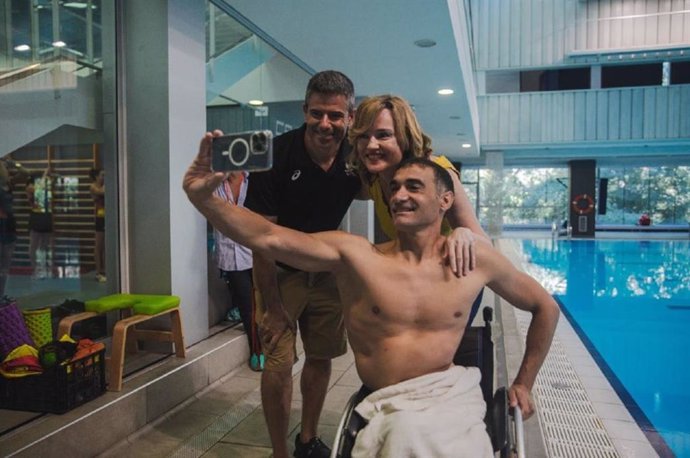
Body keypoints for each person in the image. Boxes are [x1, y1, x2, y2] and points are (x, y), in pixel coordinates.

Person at [184, 139, 560, 457]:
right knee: (405, 435)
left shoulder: (472, 260)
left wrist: (524, 383)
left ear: (446, 200)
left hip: (451, 400)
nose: (399, 195)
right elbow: (268, 236)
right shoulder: (358, 257)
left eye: (414, 187)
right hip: (389, 406)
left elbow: (546, 307)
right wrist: (206, 201)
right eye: (394, 188)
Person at [243, 70, 361, 458]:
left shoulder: (354, 158)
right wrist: (272, 305)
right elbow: (260, 241)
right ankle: (279, 452)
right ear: (304, 110)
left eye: (335, 115)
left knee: (321, 355)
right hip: (280, 273)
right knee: (277, 361)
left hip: (327, 272)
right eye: (316, 113)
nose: (325, 124)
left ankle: (307, 439)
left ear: (350, 117)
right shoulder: (274, 156)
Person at [348, 94, 490, 323]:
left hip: (454, 278)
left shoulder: (437, 173)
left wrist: (464, 233)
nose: (371, 145)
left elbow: (485, 245)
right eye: (363, 136)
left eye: (383, 135)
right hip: (415, 279)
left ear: (403, 137)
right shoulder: (373, 179)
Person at [212, 171, 263, 371]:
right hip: (230, 253)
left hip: (256, 250)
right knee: (247, 305)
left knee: (263, 301)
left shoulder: (255, 180)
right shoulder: (216, 184)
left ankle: (272, 347)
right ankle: (256, 351)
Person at [0, 158, 27, 296]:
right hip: (2, 224)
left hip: (8, 224)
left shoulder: (9, 184)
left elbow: (24, 172)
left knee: (5, 266)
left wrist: (12, 163)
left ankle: (2, 295)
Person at [27, 167, 55, 279]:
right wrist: (44, 175)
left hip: (46, 216)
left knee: (44, 245)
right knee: (34, 244)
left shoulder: (45, 186)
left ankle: (43, 268)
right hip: (36, 216)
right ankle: (34, 269)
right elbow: (38, 191)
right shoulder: (30, 187)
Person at [89, 168, 106, 282]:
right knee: (98, 245)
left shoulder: (105, 185)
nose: (103, 178)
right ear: (96, 177)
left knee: (105, 246)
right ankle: (98, 272)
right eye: (102, 175)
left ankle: (104, 270)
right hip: (100, 217)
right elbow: (101, 192)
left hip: (107, 216)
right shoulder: (93, 186)